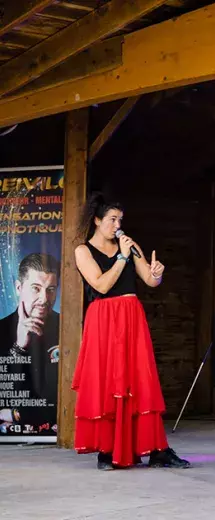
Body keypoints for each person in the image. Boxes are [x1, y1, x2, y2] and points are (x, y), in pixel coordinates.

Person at [71, 192, 190, 470]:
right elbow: (100, 285)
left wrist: (157, 273)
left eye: (120, 220)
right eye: (112, 219)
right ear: (97, 220)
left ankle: (157, 450)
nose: (117, 225)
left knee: (140, 379)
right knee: (106, 381)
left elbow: (149, 280)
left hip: (130, 315)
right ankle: (107, 450)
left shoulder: (128, 244)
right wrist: (122, 258)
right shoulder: (83, 251)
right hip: (103, 318)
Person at [0, 253, 61, 429]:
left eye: (51, 289)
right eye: (36, 288)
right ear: (19, 288)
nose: (44, 299)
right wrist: (19, 347)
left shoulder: (68, 331)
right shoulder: (1, 331)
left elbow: (69, 399)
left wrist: (14, 414)